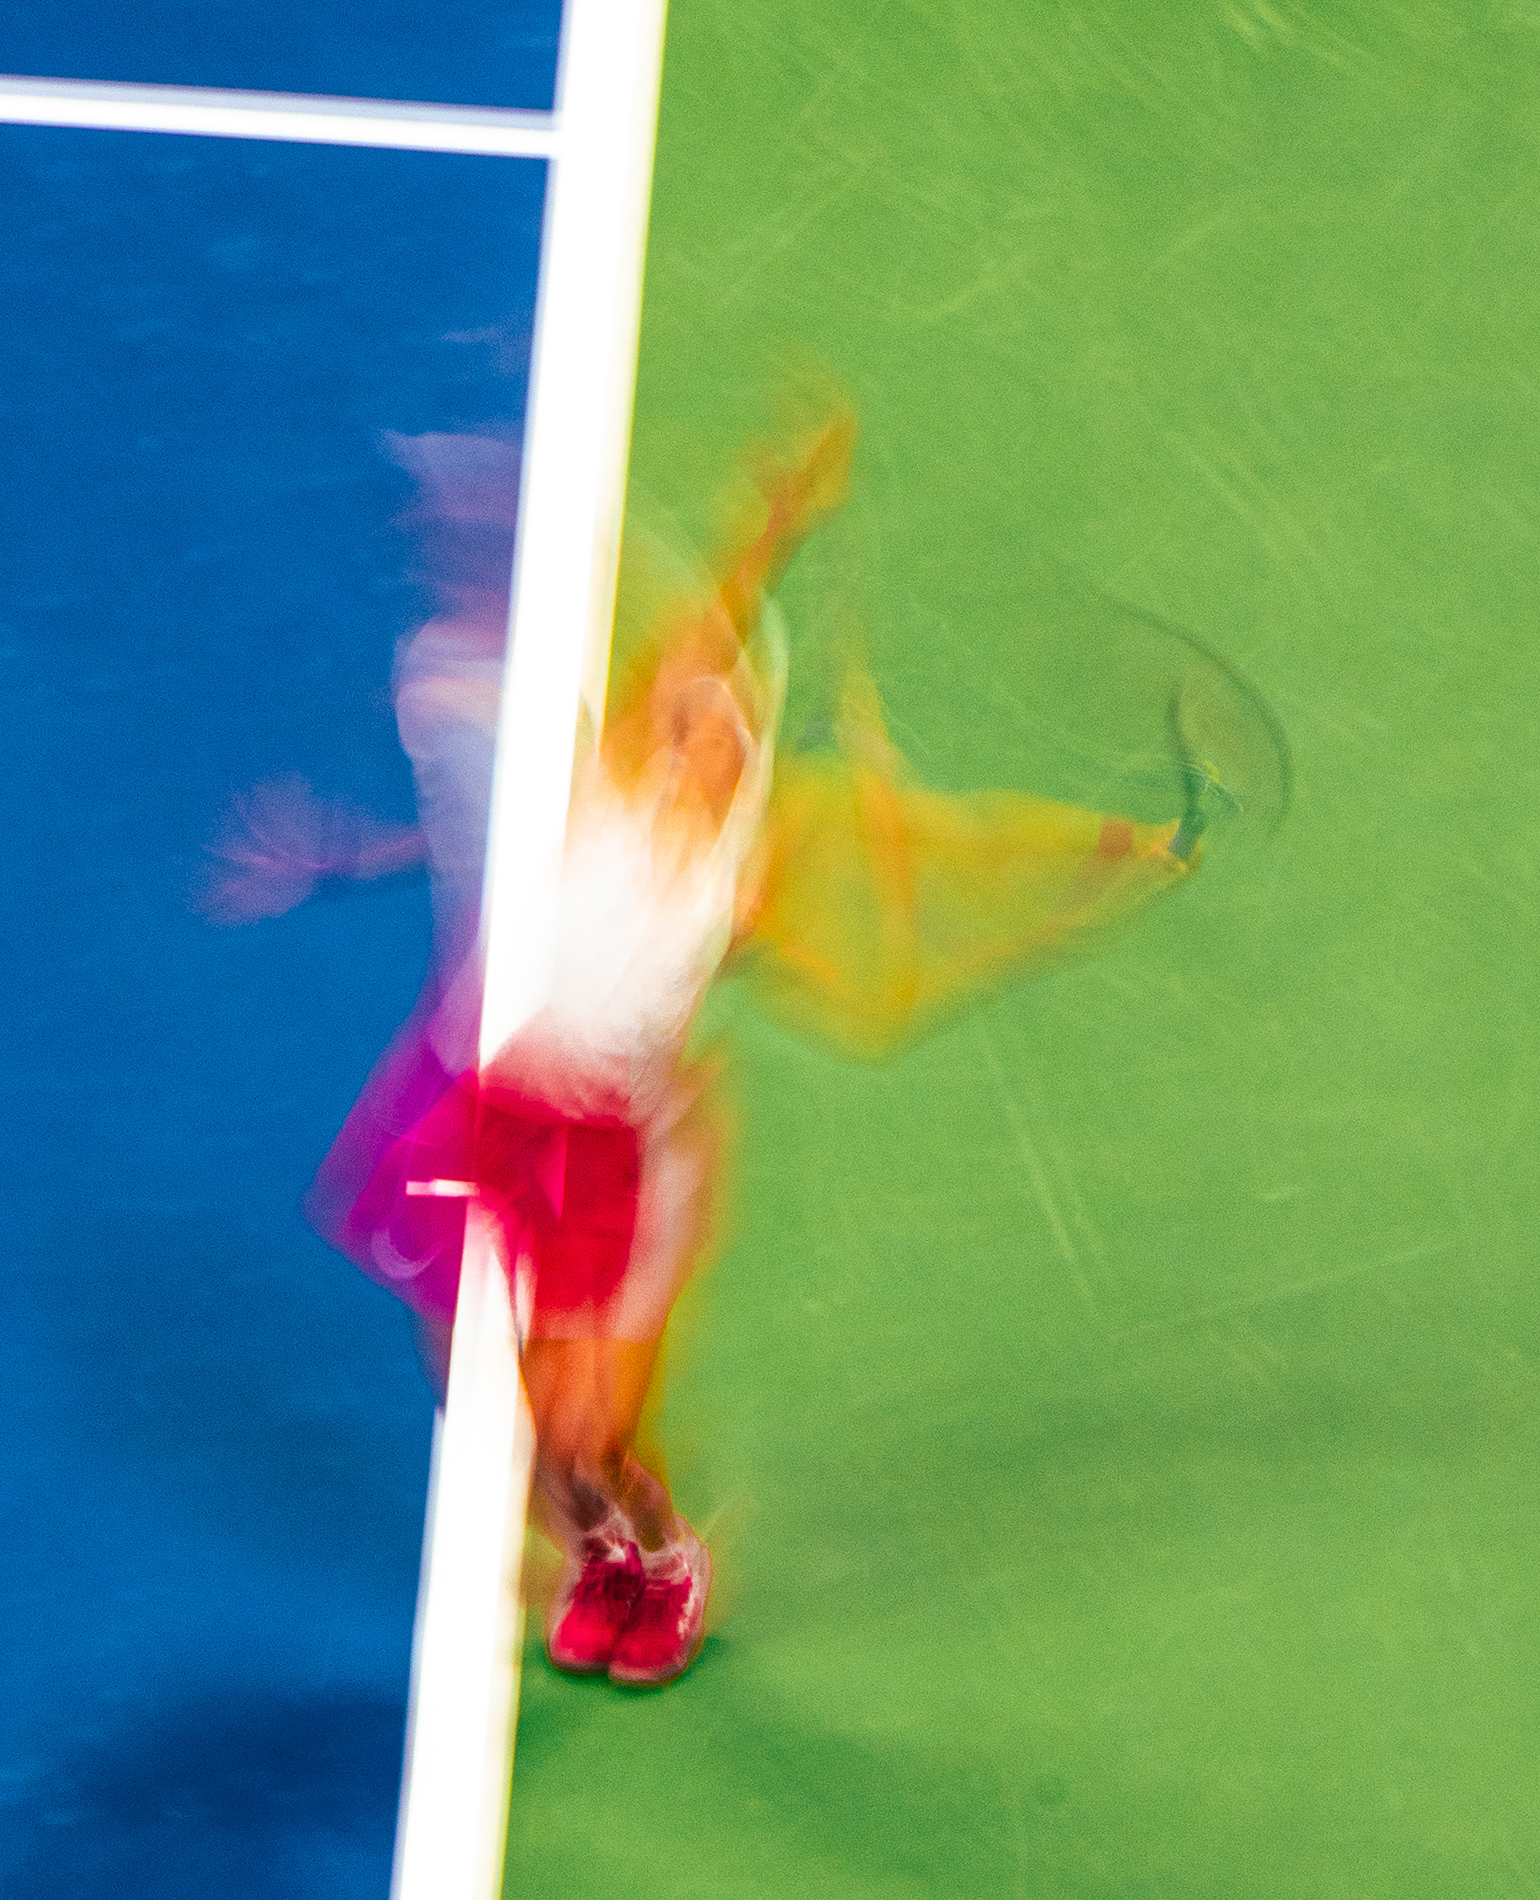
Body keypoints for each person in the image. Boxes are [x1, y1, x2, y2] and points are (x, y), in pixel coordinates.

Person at [206, 406, 1243, 1688]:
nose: (678, 718)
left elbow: (958, 866)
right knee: (498, 1414)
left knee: (588, 1433)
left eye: (706, 726)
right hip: (493, 1106)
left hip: (610, 1149)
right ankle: (599, 1553)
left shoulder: (749, 886)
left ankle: (662, 1552)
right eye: (675, 710)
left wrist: (1114, 856)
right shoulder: (604, 788)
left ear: (736, 767)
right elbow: (701, 636)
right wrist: (777, 515)